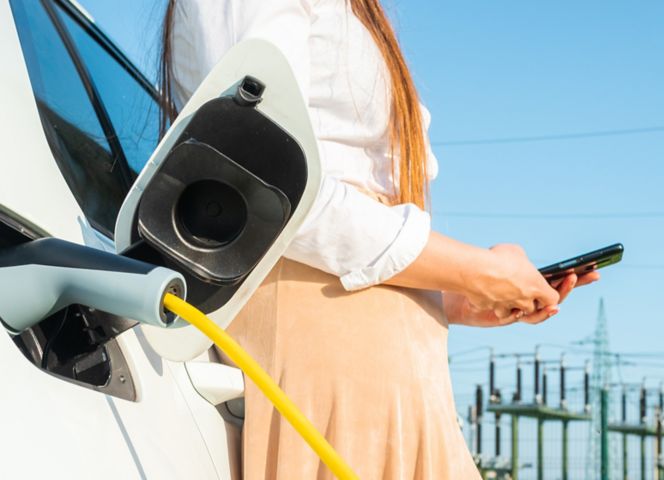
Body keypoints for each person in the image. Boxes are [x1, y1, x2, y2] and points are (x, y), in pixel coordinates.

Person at [159, 1, 600, 478]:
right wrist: (479, 271)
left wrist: (452, 298)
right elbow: (267, 187)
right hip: (328, 344)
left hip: (381, 359)